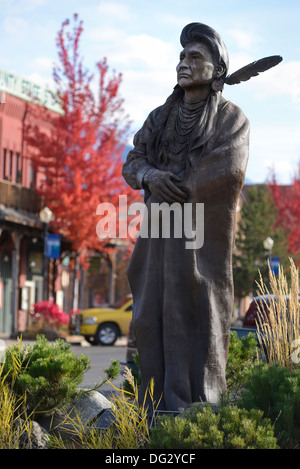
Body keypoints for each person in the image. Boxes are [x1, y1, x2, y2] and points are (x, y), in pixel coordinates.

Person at [122, 22, 249, 412]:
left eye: (195, 57)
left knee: (198, 310)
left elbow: (226, 169)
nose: (184, 63)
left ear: (217, 70)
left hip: (199, 238)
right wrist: (149, 175)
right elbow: (133, 159)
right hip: (157, 235)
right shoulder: (160, 117)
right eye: (181, 56)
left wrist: (175, 187)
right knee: (148, 313)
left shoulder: (231, 119)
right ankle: (152, 404)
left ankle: (197, 406)